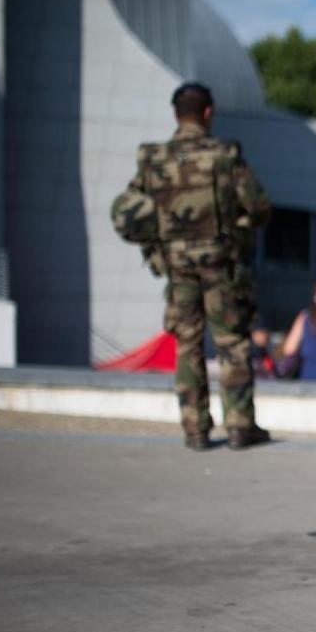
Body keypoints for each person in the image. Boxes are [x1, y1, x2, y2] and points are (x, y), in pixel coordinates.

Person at [111, 83, 272, 451]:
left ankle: (195, 429)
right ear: (208, 112)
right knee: (231, 342)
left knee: (187, 344)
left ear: (175, 115)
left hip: (177, 266)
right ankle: (239, 425)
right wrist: (239, 228)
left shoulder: (153, 159)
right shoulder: (225, 155)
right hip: (222, 263)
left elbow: (131, 210)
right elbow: (259, 206)